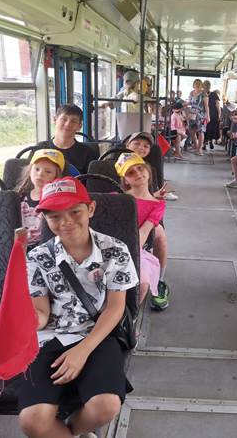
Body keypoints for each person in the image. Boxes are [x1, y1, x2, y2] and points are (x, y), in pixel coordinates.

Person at [18, 177, 139, 438]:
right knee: (32, 421)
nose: (66, 222)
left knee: (106, 406)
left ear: (90, 209)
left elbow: (115, 308)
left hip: (97, 333)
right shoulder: (37, 257)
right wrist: (19, 317)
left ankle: (72, 430)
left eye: (75, 212)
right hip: (50, 336)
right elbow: (41, 314)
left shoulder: (115, 250)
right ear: (45, 219)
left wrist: (82, 351)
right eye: (55, 216)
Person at [115, 153, 170, 310]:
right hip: (111, 246)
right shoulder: (117, 199)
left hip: (135, 248)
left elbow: (145, 231)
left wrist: (128, 256)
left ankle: (129, 317)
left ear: (148, 170)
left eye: (140, 168)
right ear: (126, 180)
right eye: (131, 172)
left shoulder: (157, 205)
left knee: (143, 282)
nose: (138, 173)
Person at [16, 149, 65, 250]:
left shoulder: (56, 202)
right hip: (17, 245)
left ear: (56, 176)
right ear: (30, 171)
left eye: (48, 172)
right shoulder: (20, 197)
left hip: (42, 248)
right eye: (37, 169)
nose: (40, 174)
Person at [36, 105, 99, 175]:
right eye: (64, 119)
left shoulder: (88, 153)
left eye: (73, 121)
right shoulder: (40, 149)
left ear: (79, 126)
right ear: (55, 120)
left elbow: (93, 180)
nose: (68, 124)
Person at [125, 131, 179, 201]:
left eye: (146, 146)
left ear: (149, 151)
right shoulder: (121, 163)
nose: (141, 147)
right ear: (127, 145)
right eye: (137, 143)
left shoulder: (148, 169)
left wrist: (154, 195)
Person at [186, 79, 210, 156]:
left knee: (200, 131)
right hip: (192, 114)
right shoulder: (191, 93)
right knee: (191, 131)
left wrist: (208, 116)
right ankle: (196, 145)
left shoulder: (204, 94)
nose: (197, 85)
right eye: (195, 83)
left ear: (201, 85)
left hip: (201, 115)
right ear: (193, 84)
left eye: (198, 84)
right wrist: (182, 105)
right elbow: (189, 102)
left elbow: (206, 106)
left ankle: (200, 149)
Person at [203, 80, 221, 150]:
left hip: (205, 113)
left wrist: (219, 114)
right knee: (211, 128)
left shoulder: (202, 94)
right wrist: (219, 114)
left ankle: (205, 143)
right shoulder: (214, 94)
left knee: (205, 128)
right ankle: (210, 141)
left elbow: (217, 105)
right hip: (212, 113)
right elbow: (218, 105)